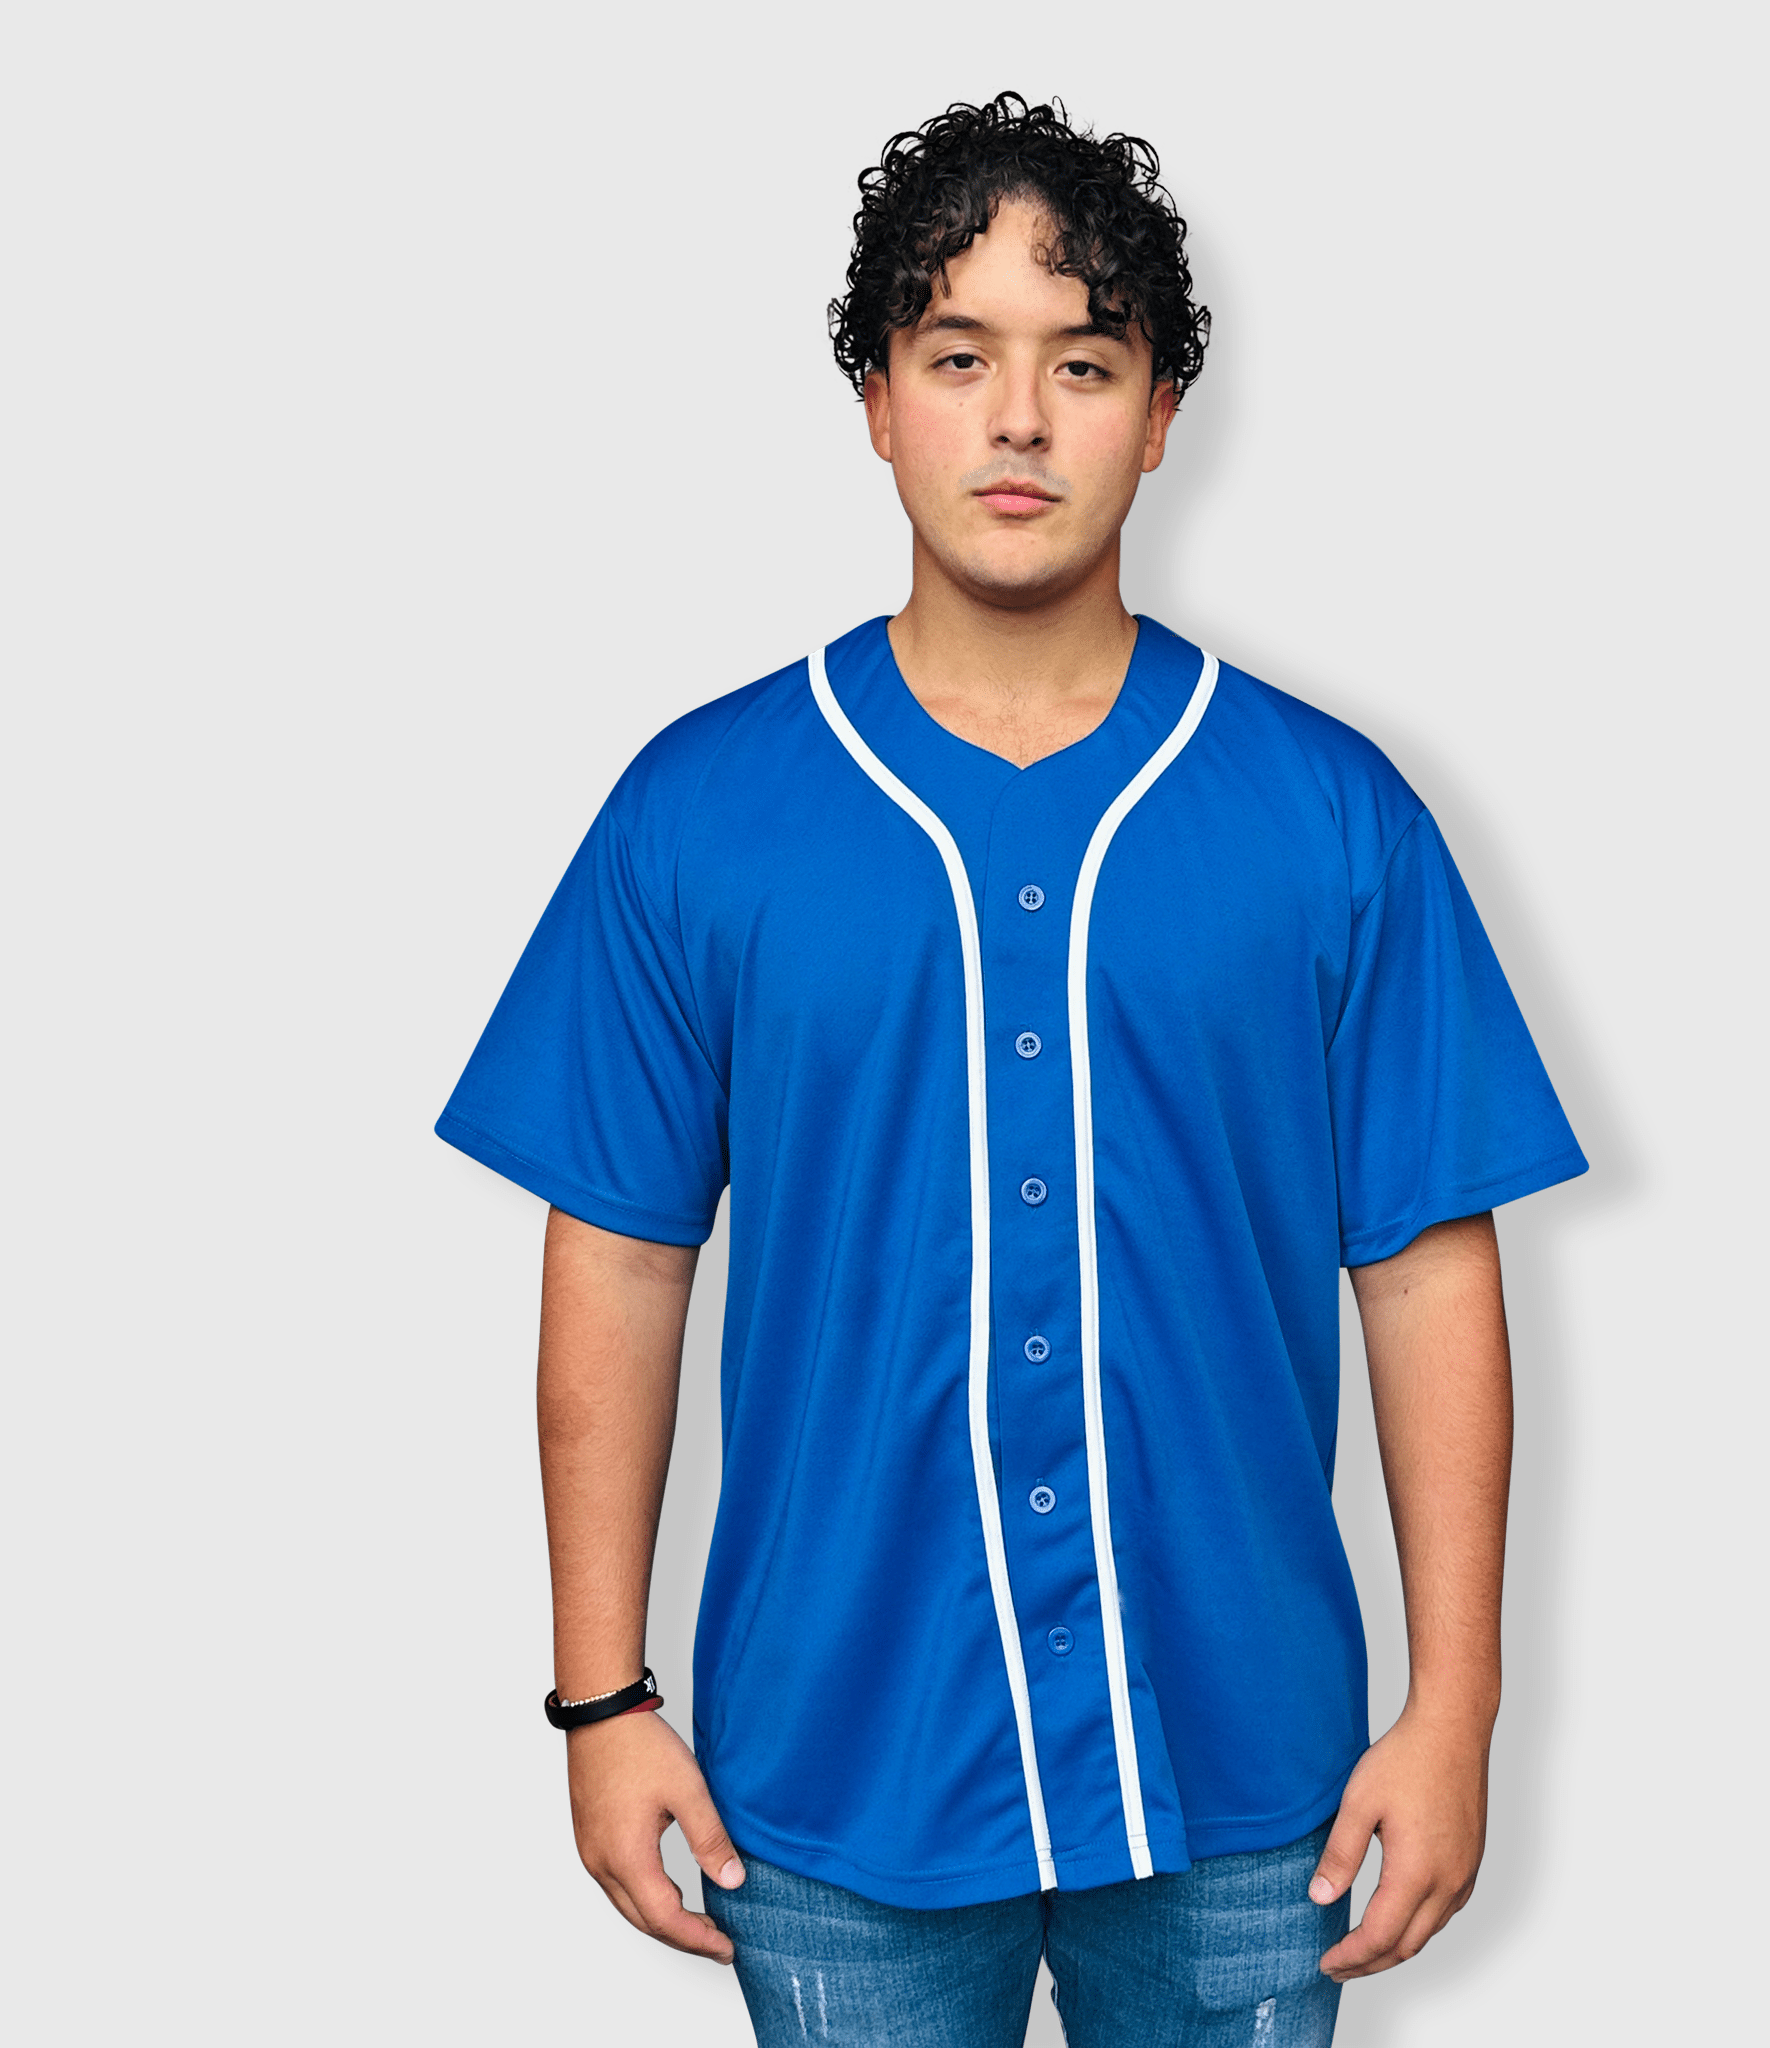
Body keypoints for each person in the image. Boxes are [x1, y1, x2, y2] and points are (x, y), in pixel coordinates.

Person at [436, 91, 1585, 2047]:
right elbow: (617, 1259)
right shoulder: (698, 812)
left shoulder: (1334, 815)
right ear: (877, 404)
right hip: (828, 1770)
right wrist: (599, 1695)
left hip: (1248, 1778)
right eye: (959, 357)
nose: (1022, 420)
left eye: (1085, 362)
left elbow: (1423, 1271)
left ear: (1161, 414)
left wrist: (1456, 1705)